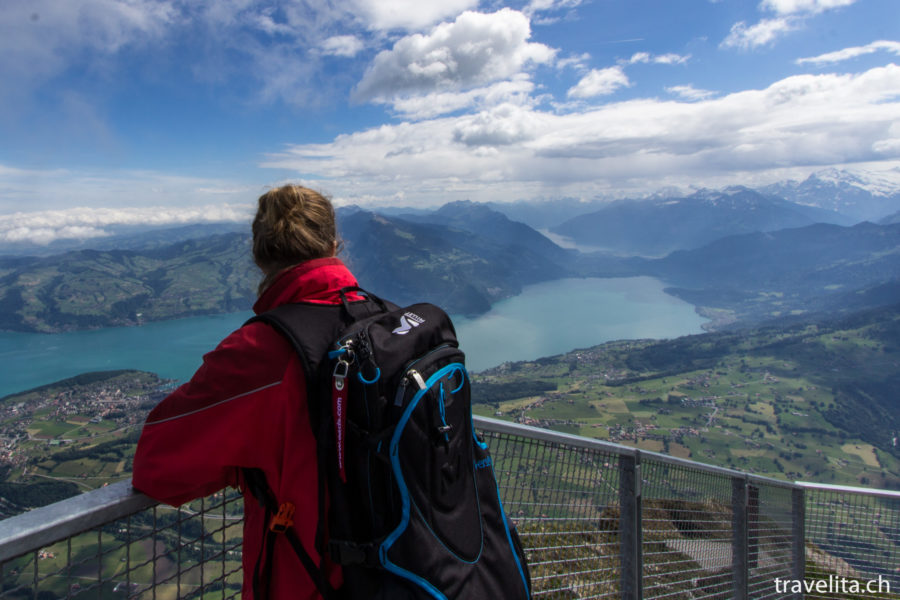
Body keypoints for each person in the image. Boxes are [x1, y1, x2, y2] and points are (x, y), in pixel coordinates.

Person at [132, 185, 354, 599]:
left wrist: (244, 459)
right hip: (403, 571)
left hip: (310, 582)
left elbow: (154, 466)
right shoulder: (384, 320)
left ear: (258, 254)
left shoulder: (260, 352)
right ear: (333, 244)